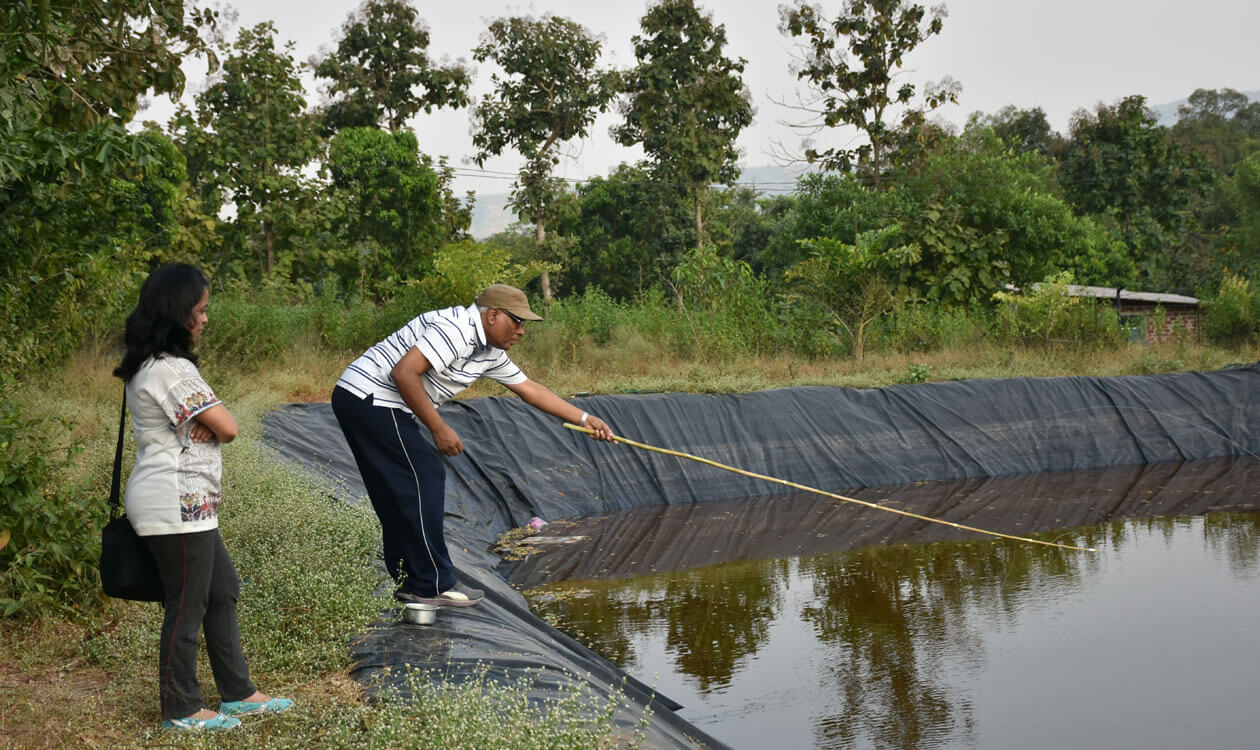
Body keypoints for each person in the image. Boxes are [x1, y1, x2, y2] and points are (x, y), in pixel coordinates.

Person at [332, 283, 615, 607]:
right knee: (425, 478)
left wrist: (584, 418)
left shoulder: (489, 351)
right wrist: (439, 429)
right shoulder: (456, 329)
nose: (522, 331)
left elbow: (530, 389)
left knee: (400, 491)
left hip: (364, 400)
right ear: (493, 315)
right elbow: (404, 372)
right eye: (517, 321)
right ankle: (430, 585)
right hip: (371, 398)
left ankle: (412, 581)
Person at [114, 263, 293, 731]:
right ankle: (182, 707)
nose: (206, 319)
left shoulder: (155, 366)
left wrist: (208, 424)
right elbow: (229, 427)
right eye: (200, 310)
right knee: (187, 602)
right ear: (178, 313)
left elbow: (217, 426)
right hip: (174, 501)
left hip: (188, 502)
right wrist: (212, 423)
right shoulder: (170, 370)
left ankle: (238, 693)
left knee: (221, 590)